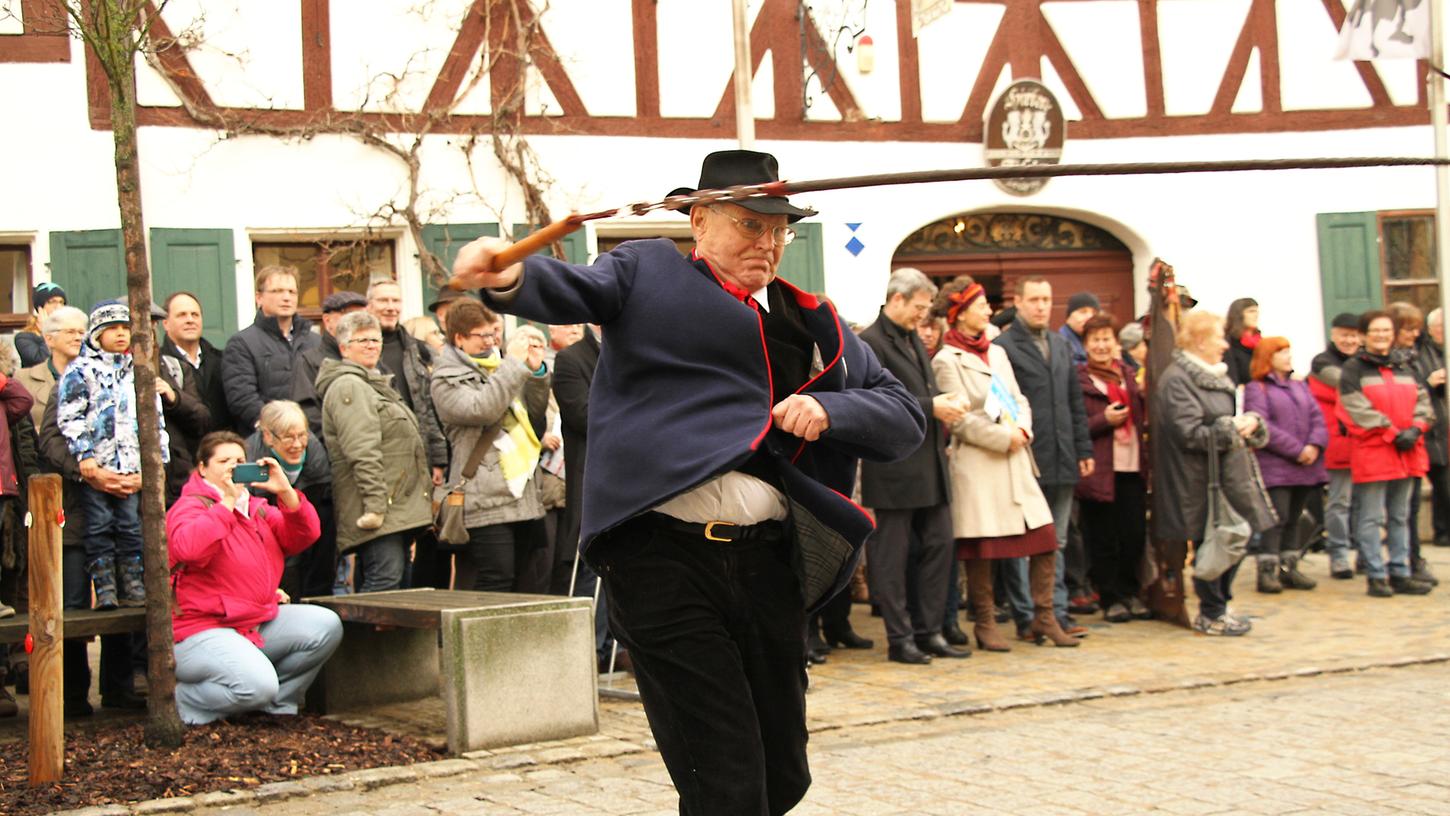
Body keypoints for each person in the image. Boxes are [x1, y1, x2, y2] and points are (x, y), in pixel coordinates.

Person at [449, 149, 924, 816]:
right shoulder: (645, 270)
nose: (768, 243)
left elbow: (905, 416)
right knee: (724, 781)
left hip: (767, 562)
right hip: (661, 558)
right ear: (699, 220)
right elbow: (571, 289)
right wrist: (508, 275)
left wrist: (831, 408)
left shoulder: (814, 318)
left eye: (779, 228)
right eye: (749, 224)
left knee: (782, 778)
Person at [931, 277, 1077, 649]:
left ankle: (1044, 617)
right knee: (983, 548)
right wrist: (1002, 438)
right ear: (961, 314)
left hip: (1016, 459)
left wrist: (1023, 430)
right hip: (980, 466)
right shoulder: (947, 359)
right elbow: (958, 418)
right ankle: (985, 623)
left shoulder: (996, 352)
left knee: (1044, 538)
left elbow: (1017, 397)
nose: (988, 311)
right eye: (980, 306)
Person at [166, 430, 341, 725]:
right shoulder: (190, 507)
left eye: (239, 460)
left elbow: (304, 535)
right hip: (199, 630)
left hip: (251, 622)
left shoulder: (256, 508)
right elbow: (189, 549)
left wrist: (285, 490)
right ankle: (186, 701)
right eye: (223, 461)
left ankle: (275, 704)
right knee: (257, 685)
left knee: (325, 626)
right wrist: (226, 506)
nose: (233, 466)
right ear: (202, 468)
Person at [858, 268, 967, 663]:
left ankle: (930, 630)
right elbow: (873, 402)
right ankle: (900, 638)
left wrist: (944, 401)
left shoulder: (913, 338)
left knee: (939, 547)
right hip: (894, 469)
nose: (924, 317)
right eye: (919, 308)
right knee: (892, 558)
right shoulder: (870, 342)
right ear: (897, 299)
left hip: (931, 466)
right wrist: (930, 406)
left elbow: (923, 390)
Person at [1152, 310, 1276, 636]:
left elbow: (1220, 422)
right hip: (1197, 481)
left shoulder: (1214, 375)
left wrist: (1248, 425)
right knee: (1217, 542)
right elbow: (1189, 433)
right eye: (1218, 337)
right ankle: (1211, 611)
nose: (1224, 344)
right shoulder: (1178, 380)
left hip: (1226, 475)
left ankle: (1219, 605)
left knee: (1236, 536)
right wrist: (1231, 427)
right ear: (1198, 341)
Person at [993, 277, 1093, 639]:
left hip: (1063, 455)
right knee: (1025, 542)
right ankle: (1026, 617)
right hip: (1026, 456)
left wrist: (1083, 448)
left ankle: (1057, 613)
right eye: (1033, 299)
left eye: (1046, 299)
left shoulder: (1060, 344)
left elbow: (1074, 402)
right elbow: (1001, 403)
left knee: (1058, 540)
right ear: (1018, 302)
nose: (1040, 306)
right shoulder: (1003, 346)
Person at [430, 299, 551, 592]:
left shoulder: (502, 368)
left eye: (493, 333)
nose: (490, 341)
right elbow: (482, 409)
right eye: (481, 335)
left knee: (526, 580)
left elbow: (535, 417)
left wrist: (535, 373)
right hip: (482, 493)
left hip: (521, 490)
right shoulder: (445, 378)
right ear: (459, 338)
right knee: (496, 578)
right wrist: (512, 365)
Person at [57, 301, 169, 609]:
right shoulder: (80, 371)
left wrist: (158, 462)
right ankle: (104, 585)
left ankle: (132, 583)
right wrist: (84, 456)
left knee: (131, 526)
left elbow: (155, 419)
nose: (121, 335)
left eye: (126, 329)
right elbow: (70, 416)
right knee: (99, 525)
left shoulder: (140, 372)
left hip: (132, 468)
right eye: (113, 329)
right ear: (96, 334)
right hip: (98, 467)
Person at [315, 311, 432, 593]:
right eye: (362, 340)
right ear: (343, 347)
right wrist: (376, 507)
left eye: (375, 339)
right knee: (384, 587)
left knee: (400, 588)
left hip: (397, 507)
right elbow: (361, 451)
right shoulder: (349, 386)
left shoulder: (372, 383)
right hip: (379, 510)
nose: (371, 345)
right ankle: (365, 639)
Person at [1339, 310, 1436, 597]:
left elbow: (1424, 403)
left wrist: (1416, 429)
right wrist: (1393, 432)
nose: (1381, 336)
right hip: (1374, 451)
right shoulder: (1354, 369)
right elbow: (1355, 409)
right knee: (1370, 517)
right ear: (1364, 335)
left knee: (1400, 515)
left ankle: (1400, 571)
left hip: (1407, 451)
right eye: (1375, 331)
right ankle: (1375, 574)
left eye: (1386, 331)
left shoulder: (1406, 366)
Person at [1074, 313, 1151, 624]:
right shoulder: (1080, 379)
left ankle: (1131, 591)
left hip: (1132, 465)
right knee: (1103, 537)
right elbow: (1077, 424)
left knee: (1133, 534)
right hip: (1101, 468)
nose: (1102, 346)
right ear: (1086, 345)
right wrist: (1104, 420)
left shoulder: (1129, 376)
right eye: (1096, 340)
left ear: (1116, 343)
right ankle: (1110, 597)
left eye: (1107, 339)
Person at [1243, 336, 1327, 593]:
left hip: (1305, 466)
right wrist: (1297, 450)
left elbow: (1317, 418)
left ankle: (1289, 567)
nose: (1288, 356)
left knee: (1294, 518)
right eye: (1282, 353)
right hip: (1276, 465)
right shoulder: (1257, 389)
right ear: (1268, 358)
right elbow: (1262, 425)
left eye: (1289, 351)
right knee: (1275, 518)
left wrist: (1314, 445)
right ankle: (1267, 570)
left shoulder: (1300, 386)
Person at [245, 401, 336, 601]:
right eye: (288, 437)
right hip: (264, 525)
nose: (297, 444)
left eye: (302, 435)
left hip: (302, 516)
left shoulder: (313, 450)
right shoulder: (251, 455)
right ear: (268, 436)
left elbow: (318, 495)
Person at [223, 266, 322, 434]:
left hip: (314, 440)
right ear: (259, 298)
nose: (286, 297)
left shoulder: (316, 342)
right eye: (277, 291)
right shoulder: (241, 344)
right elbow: (243, 399)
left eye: (292, 292)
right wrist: (278, 430)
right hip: (267, 439)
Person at [1387, 302, 1444, 586]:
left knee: (1408, 509)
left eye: (1416, 329)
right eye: (1408, 328)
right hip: (1395, 441)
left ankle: (1412, 559)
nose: (1414, 334)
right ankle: (1402, 564)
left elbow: (1422, 402)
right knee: (1399, 511)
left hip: (1418, 437)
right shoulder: (1395, 362)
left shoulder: (1412, 358)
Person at [1308, 312, 1361, 578]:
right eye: (1344, 335)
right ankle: (1339, 554)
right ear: (1334, 335)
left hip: (1365, 441)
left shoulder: (1364, 361)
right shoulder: (1322, 363)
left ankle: (1365, 554)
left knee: (1366, 504)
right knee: (1340, 502)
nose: (1349, 340)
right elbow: (1349, 384)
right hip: (1339, 441)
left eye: (1354, 335)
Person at [293, 290, 367, 436]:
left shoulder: (372, 357)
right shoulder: (309, 362)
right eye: (348, 315)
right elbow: (309, 415)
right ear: (327, 321)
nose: (356, 323)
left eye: (361, 317)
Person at [160, 290, 232, 433]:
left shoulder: (223, 360)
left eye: (195, 315)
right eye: (182, 315)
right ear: (166, 323)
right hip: (182, 451)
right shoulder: (160, 365)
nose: (190, 320)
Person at [17, 305, 88, 429]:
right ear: (49, 339)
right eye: (70, 332)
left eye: (81, 333)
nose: (78, 338)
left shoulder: (96, 376)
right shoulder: (24, 379)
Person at [15, 281, 67, 368]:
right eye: (52, 302)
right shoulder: (24, 337)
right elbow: (42, 360)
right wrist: (46, 331)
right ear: (40, 308)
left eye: (61, 302)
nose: (58, 306)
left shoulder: (70, 332)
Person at [1224, 297, 1261, 386]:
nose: (1256, 315)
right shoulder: (1228, 342)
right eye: (1251, 311)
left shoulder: (1261, 343)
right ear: (1238, 314)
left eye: (1257, 311)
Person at [1059, 291, 1099, 366]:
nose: (1089, 317)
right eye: (1083, 312)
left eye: (1094, 313)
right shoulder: (1060, 345)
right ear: (1068, 318)